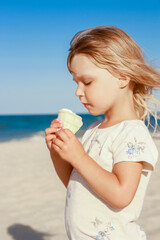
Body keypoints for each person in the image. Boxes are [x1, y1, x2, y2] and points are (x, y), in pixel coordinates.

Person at [45, 26, 160, 240]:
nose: (78, 92)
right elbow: (76, 184)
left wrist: (78, 157)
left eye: (87, 82)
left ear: (122, 78)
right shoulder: (93, 130)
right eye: (76, 83)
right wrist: (58, 152)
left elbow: (121, 195)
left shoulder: (132, 133)